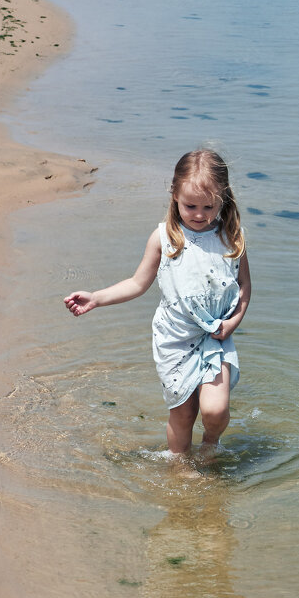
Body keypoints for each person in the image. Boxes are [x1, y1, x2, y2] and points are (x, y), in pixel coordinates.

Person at [64, 149, 251, 456]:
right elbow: (138, 283)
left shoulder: (232, 236)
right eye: (191, 205)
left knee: (215, 411)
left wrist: (234, 321)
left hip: (216, 336)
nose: (200, 214)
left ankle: (210, 446)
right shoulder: (165, 237)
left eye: (209, 206)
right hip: (175, 339)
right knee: (184, 414)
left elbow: (244, 285)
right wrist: (96, 298)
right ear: (174, 195)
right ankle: (179, 465)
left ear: (223, 199)